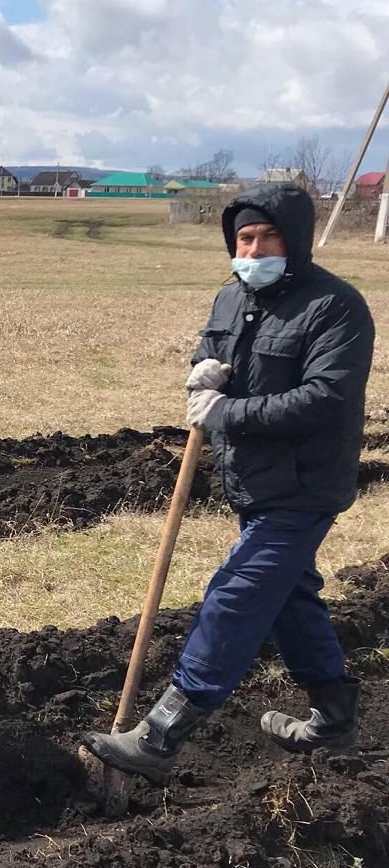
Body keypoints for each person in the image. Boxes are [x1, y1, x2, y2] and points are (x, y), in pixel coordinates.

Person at [83, 182, 375, 785]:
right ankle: (335, 717)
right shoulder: (231, 297)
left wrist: (227, 414)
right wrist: (202, 371)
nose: (256, 248)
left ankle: (162, 735)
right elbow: (213, 352)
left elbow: (327, 397)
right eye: (245, 238)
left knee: (236, 594)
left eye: (269, 236)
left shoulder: (336, 307)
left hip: (305, 483)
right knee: (290, 597)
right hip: (254, 480)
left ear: (295, 240)